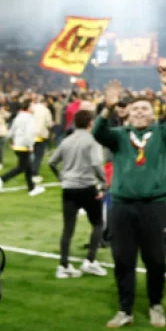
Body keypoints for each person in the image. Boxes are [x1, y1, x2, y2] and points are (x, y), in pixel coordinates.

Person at [93, 67, 166, 329]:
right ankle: (125, 309)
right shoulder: (120, 136)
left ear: (153, 112)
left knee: (156, 259)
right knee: (123, 260)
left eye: (144, 109)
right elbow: (98, 133)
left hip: (154, 207)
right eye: (135, 109)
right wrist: (107, 108)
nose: (139, 112)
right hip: (122, 207)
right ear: (127, 114)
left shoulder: (162, 134)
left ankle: (155, 304)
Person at [48, 108, 107, 279]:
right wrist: (104, 182)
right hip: (87, 186)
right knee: (98, 223)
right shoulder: (92, 140)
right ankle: (90, 261)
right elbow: (96, 163)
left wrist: (61, 177)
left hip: (69, 188)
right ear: (91, 123)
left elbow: (52, 162)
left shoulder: (66, 140)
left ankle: (63, 265)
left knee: (68, 228)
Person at [0, 100, 43, 195]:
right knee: (22, 167)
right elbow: (28, 134)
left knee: (27, 168)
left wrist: (12, 140)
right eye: (32, 106)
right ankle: (1, 178)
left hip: (18, 144)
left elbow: (12, 130)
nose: (33, 108)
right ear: (28, 107)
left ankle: (31, 189)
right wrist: (31, 145)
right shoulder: (29, 118)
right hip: (24, 145)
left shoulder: (19, 116)